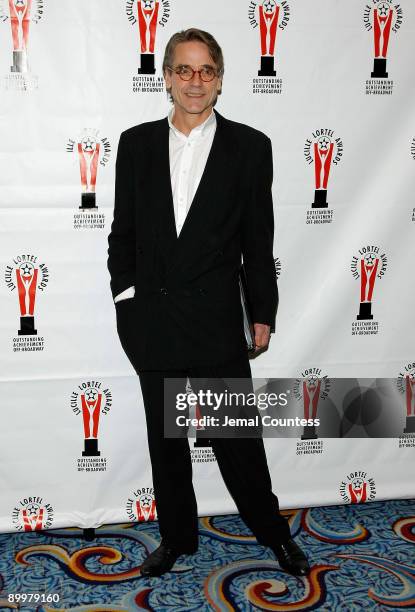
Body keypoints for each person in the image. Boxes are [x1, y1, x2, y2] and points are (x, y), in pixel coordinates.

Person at [107, 27, 309, 578]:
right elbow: (122, 233)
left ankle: (273, 535)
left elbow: (257, 241)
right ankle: (176, 539)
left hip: (215, 318)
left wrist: (261, 312)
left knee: (237, 441)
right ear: (166, 76)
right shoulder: (136, 144)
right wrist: (126, 298)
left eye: (206, 71)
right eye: (183, 70)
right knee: (167, 443)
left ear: (219, 80)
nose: (194, 82)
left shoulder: (250, 146)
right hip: (154, 318)